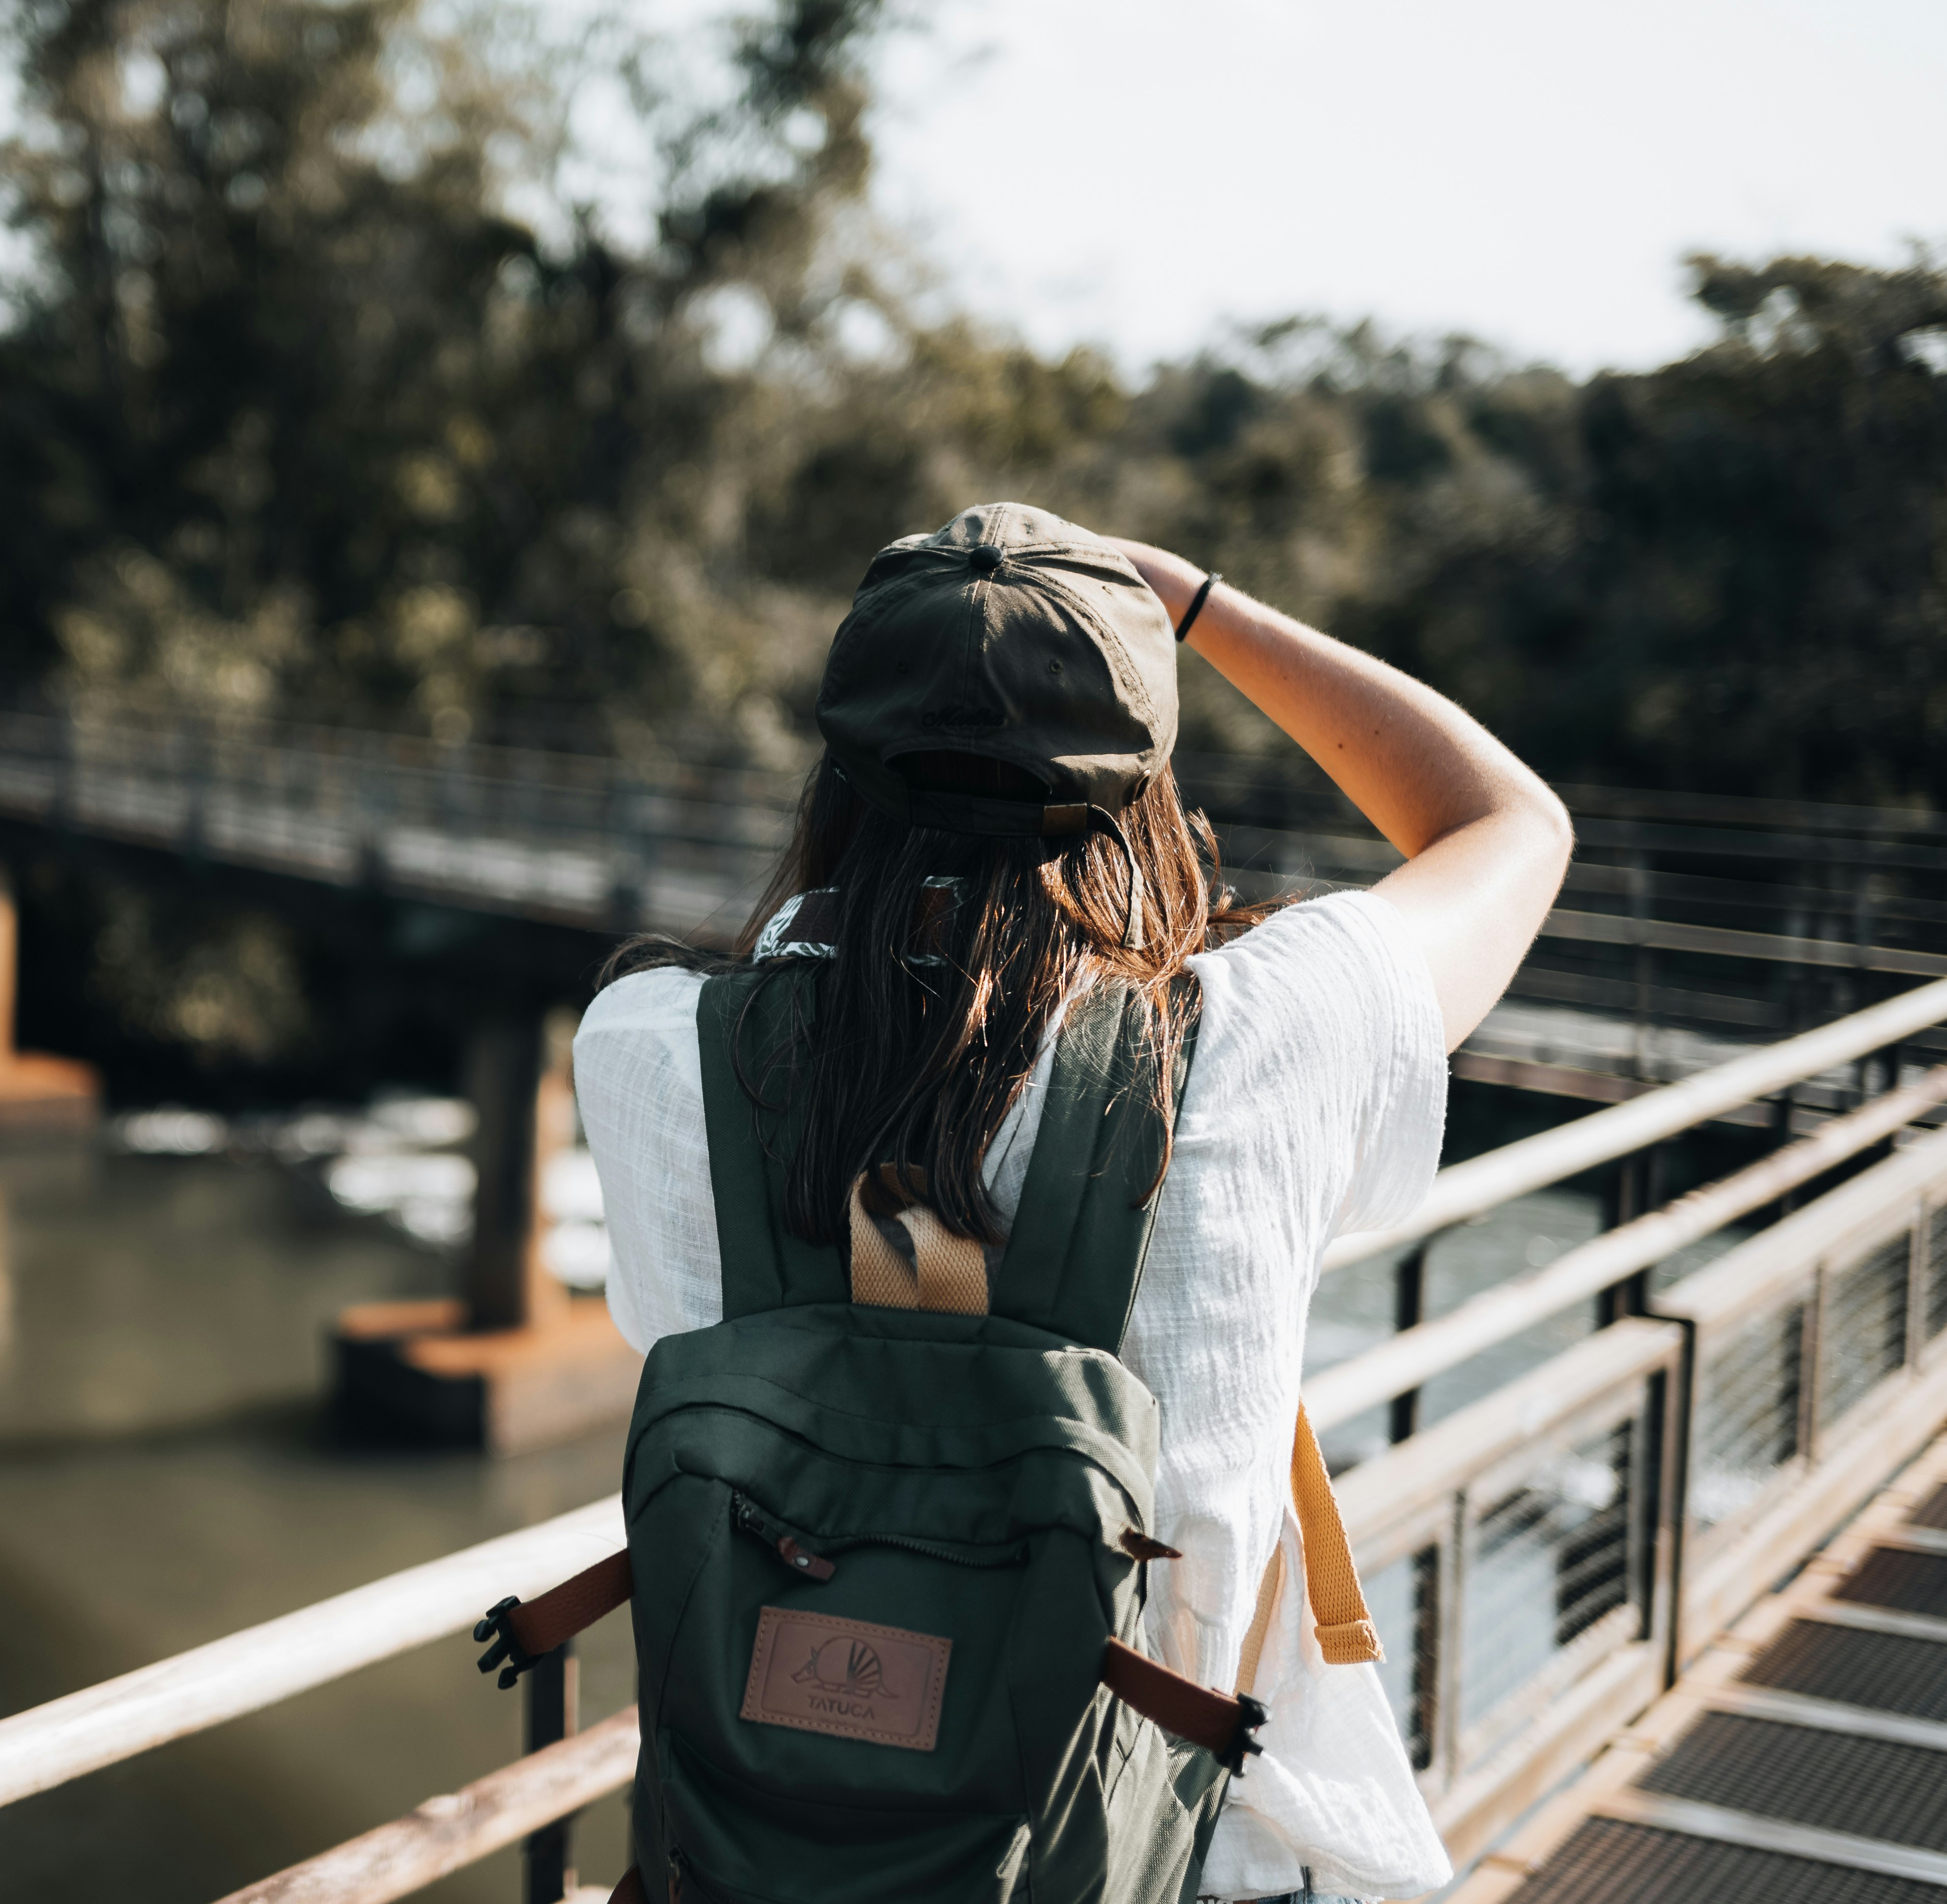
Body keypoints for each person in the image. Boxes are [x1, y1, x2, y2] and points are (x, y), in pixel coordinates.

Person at [573, 503, 1572, 1902]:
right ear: (1142, 786)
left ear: (837, 776)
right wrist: (1195, 603)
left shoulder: (647, 1048)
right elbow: (1507, 822)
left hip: (771, 1862)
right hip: (1195, 1865)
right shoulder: (1266, 1040)